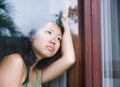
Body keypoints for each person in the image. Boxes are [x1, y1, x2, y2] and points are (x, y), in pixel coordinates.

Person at [0, 1, 75, 87]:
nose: (54, 41)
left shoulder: (37, 74)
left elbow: (69, 59)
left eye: (59, 38)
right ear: (31, 35)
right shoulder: (15, 60)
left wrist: (65, 22)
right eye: (49, 32)